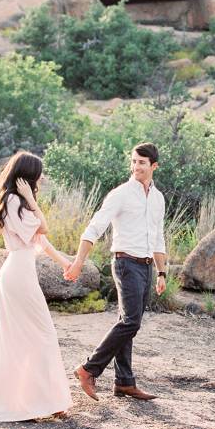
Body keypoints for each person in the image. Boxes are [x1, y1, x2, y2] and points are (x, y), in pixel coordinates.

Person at [0, 152, 73, 422]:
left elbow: (41, 241)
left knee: (30, 337)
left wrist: (66, 263)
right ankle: (37, 402)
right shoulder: (15, 200)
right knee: (40, 335)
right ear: (27, 176)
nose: (41, 178)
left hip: (21, 272)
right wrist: (31, 200)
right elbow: (45, 228)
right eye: (38, 173)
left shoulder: (18, 203)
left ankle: (42, 401)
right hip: (17, 275)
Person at [64, 142, 167, 401]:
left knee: (129, 323)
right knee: (131, 321)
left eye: (142, 163)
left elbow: (158, 238)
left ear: (154, 166)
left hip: (145, 267)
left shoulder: (157, 198)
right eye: (133, 161)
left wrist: (162, 272)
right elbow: (95, 227)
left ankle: (124, 382)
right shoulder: (120, 194)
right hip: (125, 263)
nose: (136, 167)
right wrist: (78, 262)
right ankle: (88, 369)